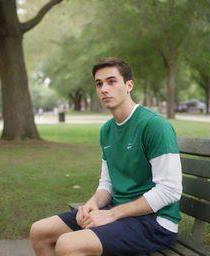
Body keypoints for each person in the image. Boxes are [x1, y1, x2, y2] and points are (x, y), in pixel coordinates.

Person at [30, 57, 182, 256]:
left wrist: (111, 214)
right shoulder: (107, 130)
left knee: (68, 245)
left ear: (129, 85)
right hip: (119, 212)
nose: (104, 89)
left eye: (112, 81)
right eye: (99, 84)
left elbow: (170, 190)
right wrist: (92, 203)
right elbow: (107, 183)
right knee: (39, 231)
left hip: (156, 221)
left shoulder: (154, 125)